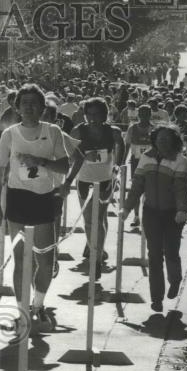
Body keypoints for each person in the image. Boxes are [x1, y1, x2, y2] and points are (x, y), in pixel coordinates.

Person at [0, 85, 77, 330]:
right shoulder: (9, 133)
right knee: (21, 260)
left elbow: (63, 168)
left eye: (34, 103)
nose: (29, 107)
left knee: (45, 261)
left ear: (42, 108)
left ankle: (38, 306)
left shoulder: (53, 132)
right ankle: (22, 313)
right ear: (17, 108)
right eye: (24, 103)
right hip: (18, 199)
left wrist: (40, 161)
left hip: (43, 199)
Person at [121, 126, 187, 313]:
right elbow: (137, 186)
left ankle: (175, 280)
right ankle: (156, 298)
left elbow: (181, 188)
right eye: (159, 139)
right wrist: (127, 208)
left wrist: (182, 210)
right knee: (154, 255)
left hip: (173, 214)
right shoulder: (146, 157)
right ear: (154, 141)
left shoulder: (180, 161)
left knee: (171, 252)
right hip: (151, 212)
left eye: (166, 140)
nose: (162, 143)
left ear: (174, 142)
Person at [60, 97, 126, 278]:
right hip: (84, 179)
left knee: (99, 217)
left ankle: (96, 257)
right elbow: (70, 154)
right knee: (89, 219)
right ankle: (95, 248)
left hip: (105, 179)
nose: (92, 118)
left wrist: (118, 164)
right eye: (89, 114)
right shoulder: (78, 130)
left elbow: (122, 145)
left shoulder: (113, 131)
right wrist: (81, 157)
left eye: (97, 114)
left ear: (105, 114)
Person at [123, 104, 155, 229]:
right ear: (138, 114)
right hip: (136, 162)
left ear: (150, 115)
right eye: (142, 114)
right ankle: (136, 216)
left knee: (149, 189)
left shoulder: (153, 129)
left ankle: (148, 216)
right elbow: (126, 146)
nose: (144, 116)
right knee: (136, 189)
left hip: (150, 163)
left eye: (147, 114)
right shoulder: (132, 128)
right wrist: (122, 162)